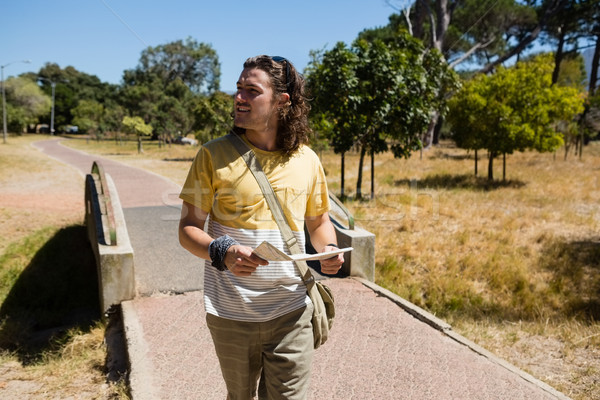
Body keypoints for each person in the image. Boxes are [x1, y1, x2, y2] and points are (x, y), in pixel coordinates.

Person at [178, 55, 344, 400]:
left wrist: (328, 250)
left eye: (251, 90)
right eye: (239, 88)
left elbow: (319, 222)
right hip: (230, 313)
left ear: (281, 102)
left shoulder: (307, 160)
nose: (239, 97)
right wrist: (221, 251)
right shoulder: (211, 156)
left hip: (292, 309)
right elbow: (188, 228)